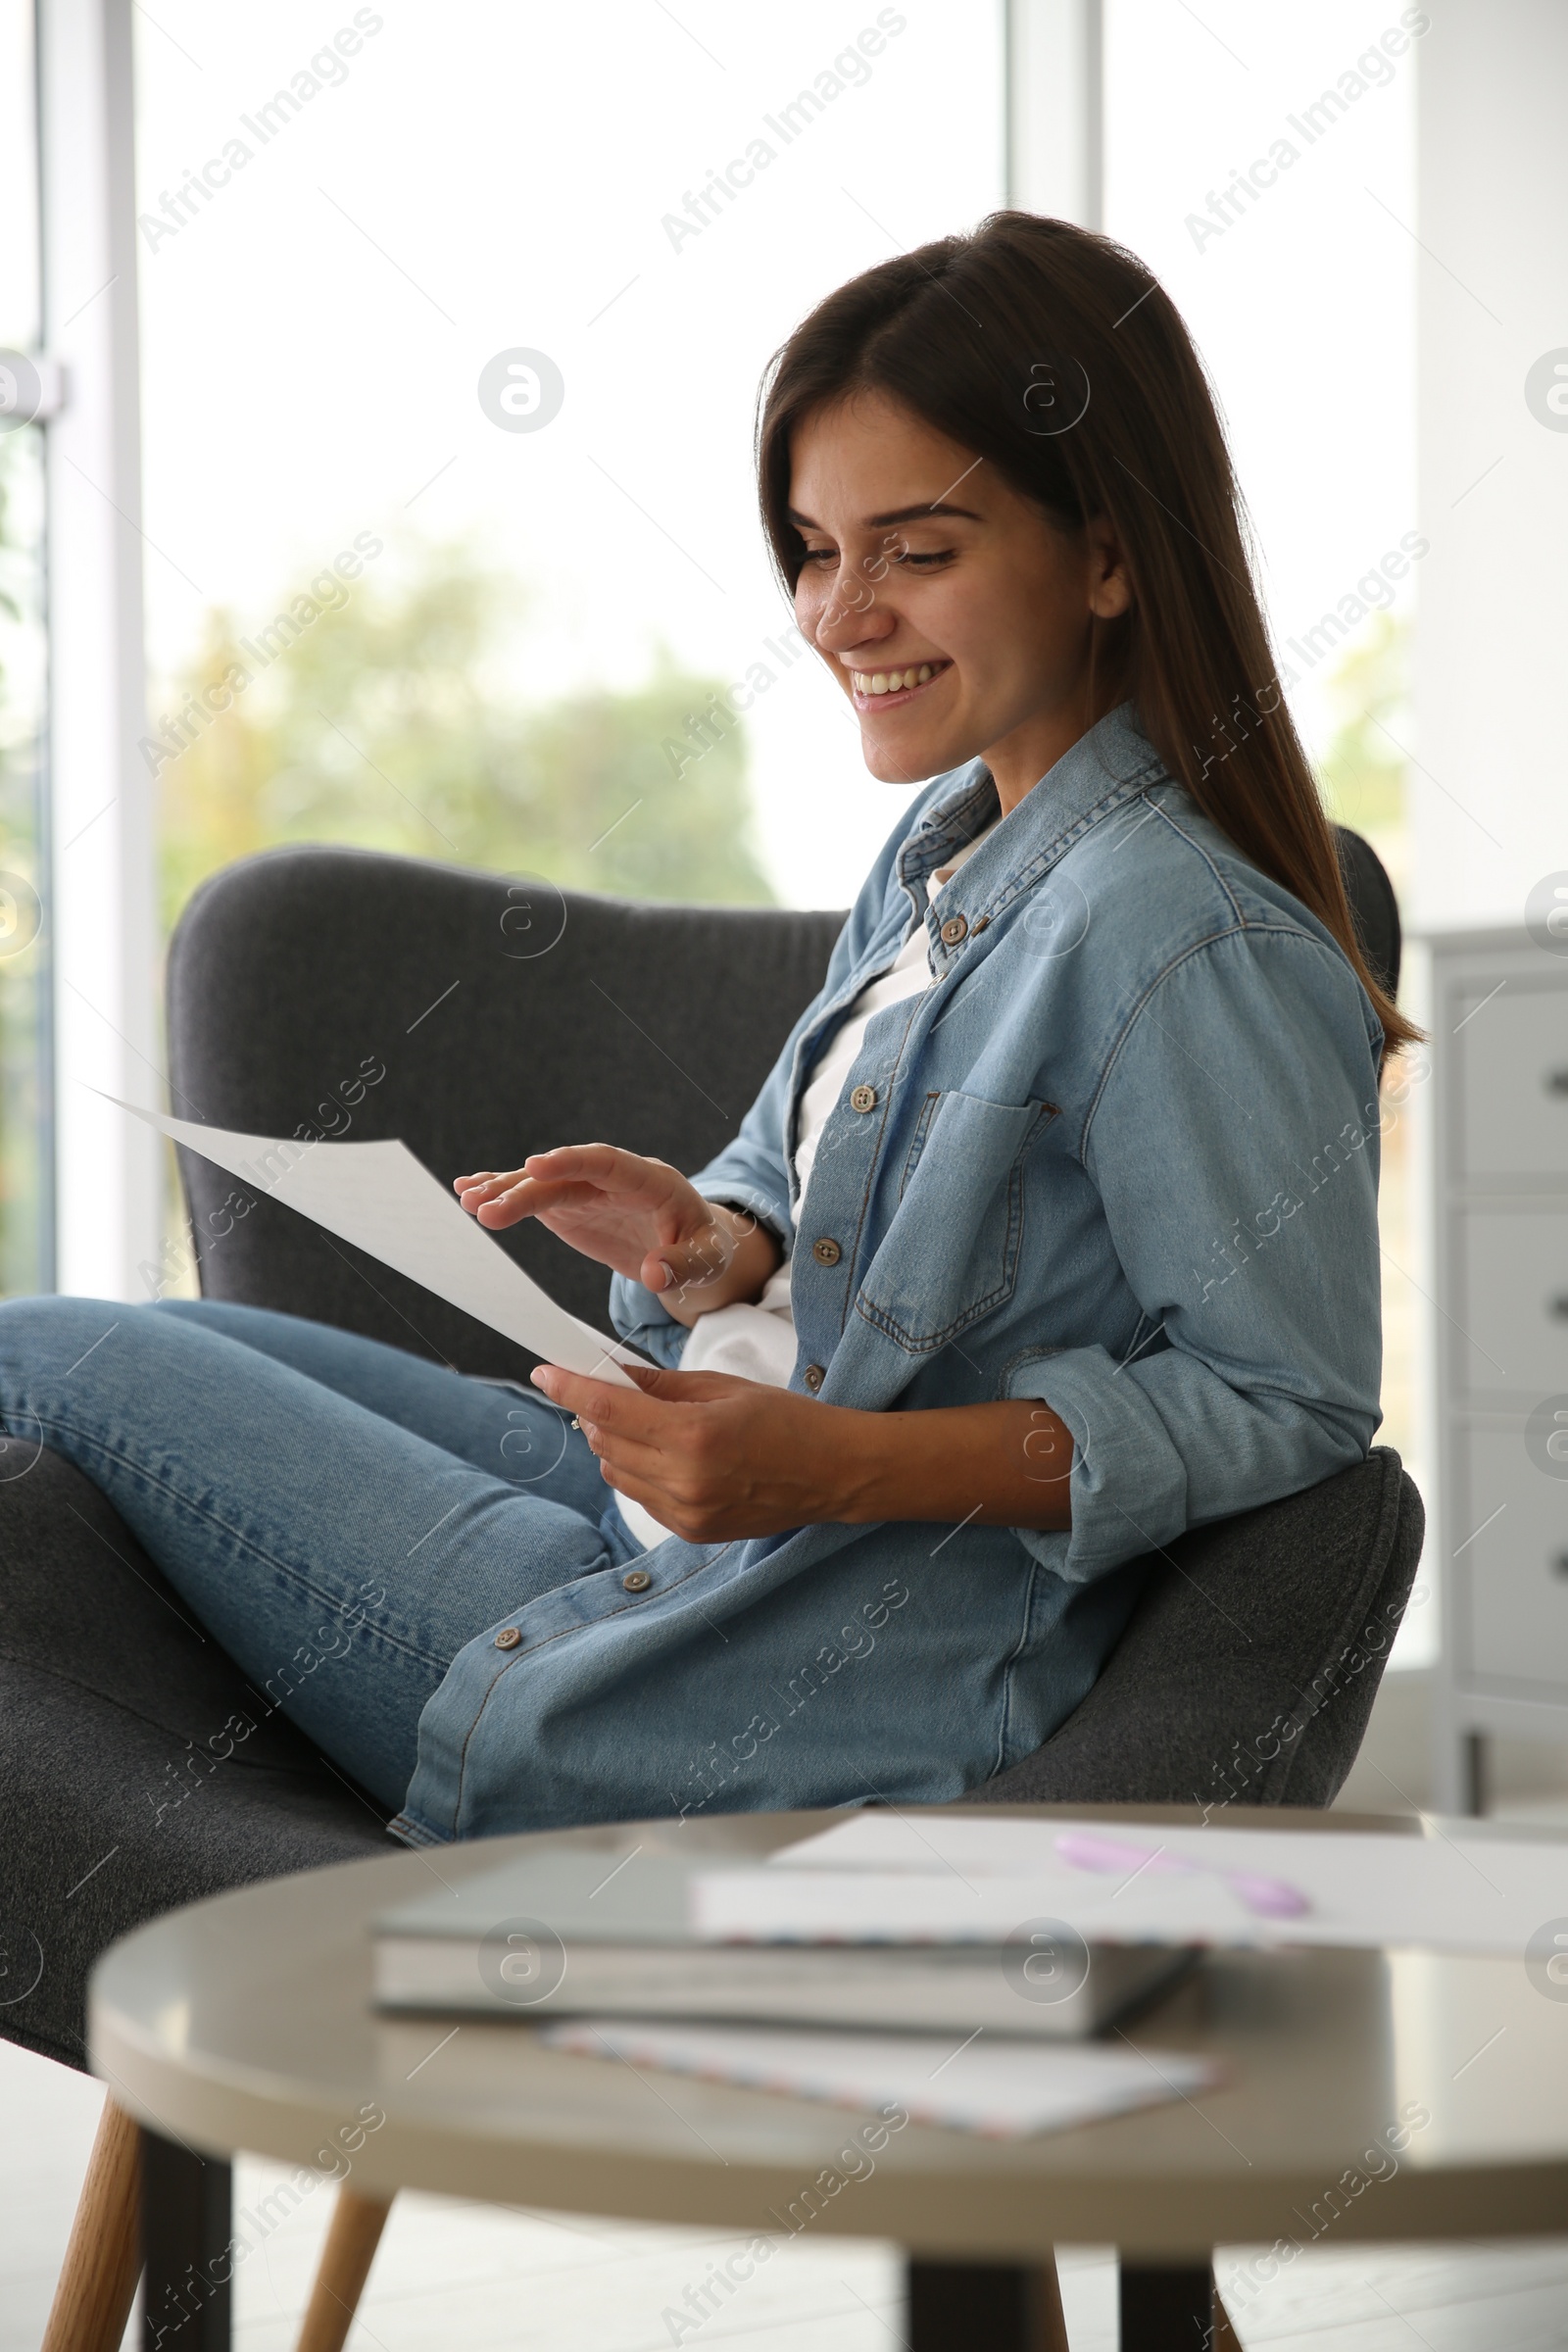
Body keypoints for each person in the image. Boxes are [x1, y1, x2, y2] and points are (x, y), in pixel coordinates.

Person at [0, 214, 1413, 1843]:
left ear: (1109, 552)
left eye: (918, 550)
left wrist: (831, 1472)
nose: (840, 616)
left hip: (743, 1659)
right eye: (816, 551)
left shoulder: (1182, 930)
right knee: (91, 1331)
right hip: (686, 1526)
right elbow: (791, 1172)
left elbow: (1286, 1401)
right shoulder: (947, 844)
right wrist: (715, 1244)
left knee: (43, 1355)